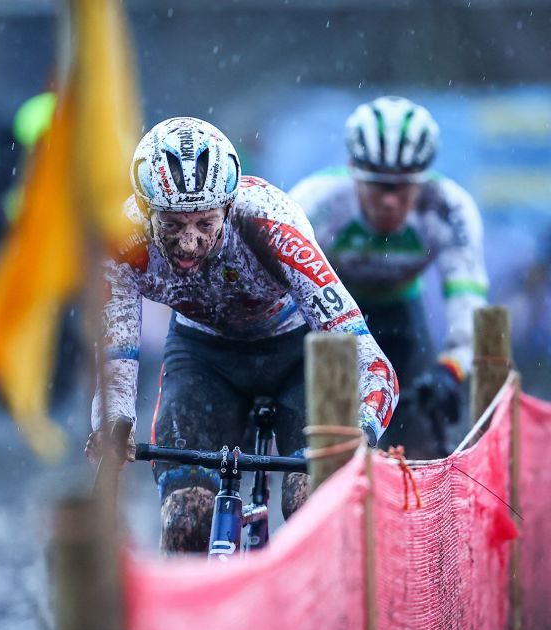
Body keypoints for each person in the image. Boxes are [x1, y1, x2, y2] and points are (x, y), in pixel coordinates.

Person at [85, 117, 398, 554]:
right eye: (172, 226)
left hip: (297, 354)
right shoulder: (124, 242)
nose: (189, 243)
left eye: (205, 224)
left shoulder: (270, 222)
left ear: (229, 209)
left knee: (310, 503)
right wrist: (114, 422)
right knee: (186, 522)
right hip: (203, 357)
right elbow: (117, 355)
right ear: (145, 209)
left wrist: (362, 428)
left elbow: (370, 359)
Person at [290, 96, 488, 458]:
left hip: (401, 316)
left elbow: (467, 301)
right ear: (352, 169)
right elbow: (281, 288)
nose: (390, 201)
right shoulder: (315, 202)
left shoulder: (449, 209)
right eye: (379, 185)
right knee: (323, 436)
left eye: (404, 186)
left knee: (418, 438)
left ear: (423, 177)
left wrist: (452, 368)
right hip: (327, 316)